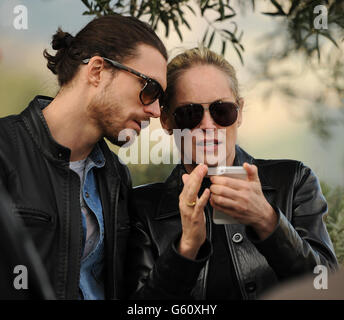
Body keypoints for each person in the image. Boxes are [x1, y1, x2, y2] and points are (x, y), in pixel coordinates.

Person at [125, 47, 338, 300]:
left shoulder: (293, 180)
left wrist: (267, 220)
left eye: (222, 111)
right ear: (167, 121)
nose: (207, 125)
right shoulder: (143, 207)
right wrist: (186, 248)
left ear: (239, 113)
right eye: (189, 114)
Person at [0, 14, 167, 299]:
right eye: (150, 89)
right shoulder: (5, 149)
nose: (156, 111)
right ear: (97, 71)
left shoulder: (116, 176)